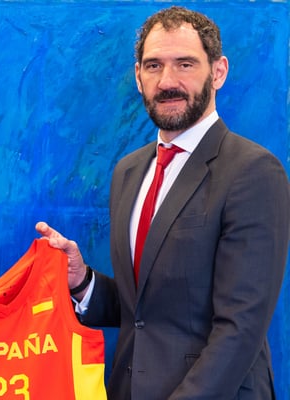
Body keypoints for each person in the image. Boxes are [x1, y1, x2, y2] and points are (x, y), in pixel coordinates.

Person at [34, 6, 290, 400]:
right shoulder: (128, 172)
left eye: (185, 64)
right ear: (138, 77)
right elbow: (144, 312)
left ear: (218, 72)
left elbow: (240, 329)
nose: (167, 81)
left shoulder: (253, 172)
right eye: (154, 66)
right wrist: (82, 281)